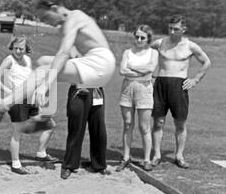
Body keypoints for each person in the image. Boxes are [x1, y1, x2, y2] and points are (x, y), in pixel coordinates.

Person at [0, 0, 116, 177]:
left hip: (100, 63)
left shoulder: (75, 17)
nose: (45, 21)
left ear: (54, 7)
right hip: (95, 65)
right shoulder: (66, 25)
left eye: (44, 16)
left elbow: (63, 53)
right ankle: (6, 105)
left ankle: (3, 105)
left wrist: (46, 84)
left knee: (43, 70)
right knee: (41, 63)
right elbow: (67, 55)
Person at [0, 36, 57, 175]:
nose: (18, 51)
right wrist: (11, 93)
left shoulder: (28, 60)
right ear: (12, 47)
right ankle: (16, 164)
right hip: (16, 102)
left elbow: (31, 79)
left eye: (21, 48)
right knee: (17, 132)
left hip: (31, 99)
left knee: (50, 125)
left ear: (26, 49)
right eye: (16, 48)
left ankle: (41, 153)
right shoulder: (9, 60)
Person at [150, 15, 211, 169]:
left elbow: (206, 62)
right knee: (158, 122)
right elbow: (145, 55)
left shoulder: (191, 46)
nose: (171, 31)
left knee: (180, 123)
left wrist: (195, 79)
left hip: (179, 86)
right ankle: (156, 154)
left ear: (183, 29)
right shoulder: (159, 43)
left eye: (175, 29)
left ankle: (179, 155)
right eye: (170, 28)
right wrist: (149, 75)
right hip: (160, 84)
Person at [116, 25, 158, 172]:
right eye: (137, 37)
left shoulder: (153, 53)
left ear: (148, 39)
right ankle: (126, 157)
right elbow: (122, 70)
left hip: (144, 90)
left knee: (144, 127)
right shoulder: (128, 52)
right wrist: (141, 73)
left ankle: (146, 159)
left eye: (142, 37)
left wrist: (132, 69)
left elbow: (150, 70)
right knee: (127, 124)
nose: (139, 40)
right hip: (127, 89)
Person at [62, 86, 109, 179]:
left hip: (96, 91)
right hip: (78, 91)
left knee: (99, 130)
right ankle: (70, 165)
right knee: (76, 130)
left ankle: (99, 164)